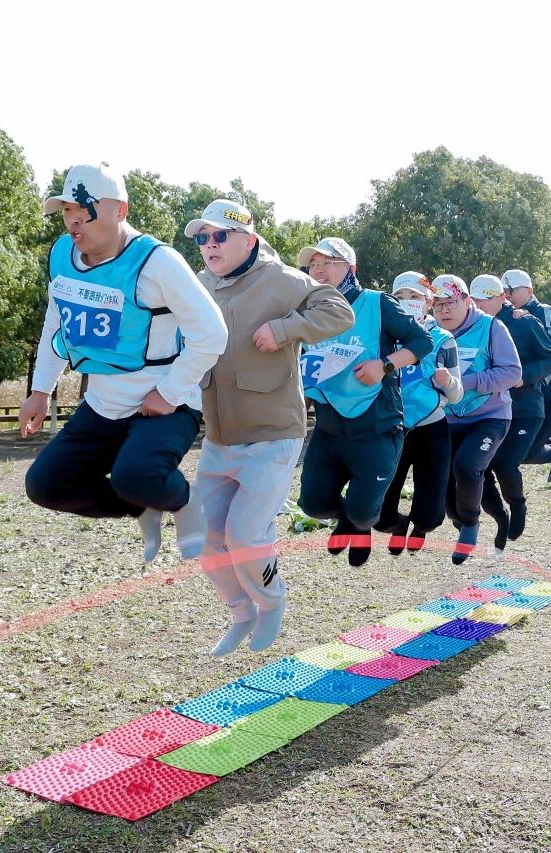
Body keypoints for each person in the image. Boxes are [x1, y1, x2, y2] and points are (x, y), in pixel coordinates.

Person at [21, 163, 227, 562]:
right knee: (45, 484)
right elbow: (56, 320)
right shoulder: (62, 255)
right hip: (104, 402)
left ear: (120, 210)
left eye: (84, 210)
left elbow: (212, 333)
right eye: (67, 211)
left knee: (137, 476)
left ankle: (187, 502)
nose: (73, 220)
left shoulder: (157, 262)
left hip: (165, 403)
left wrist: (169, 393)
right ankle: (142, 507)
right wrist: (41, 390)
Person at [188, 201, 354, 656]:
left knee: (244, 536)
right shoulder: (199, 284)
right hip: (219, 437)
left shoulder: (283, 279)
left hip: (273, 433)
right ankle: (241, 612)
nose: (209, 245)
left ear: (249, 239)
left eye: (219, 235)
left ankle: (271, 603)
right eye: (202, 238)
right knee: (204, 537)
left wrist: (285, 329)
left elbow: (339, 312)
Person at [296, 237, 433, 568]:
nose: (319, 270)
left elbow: (422, 341)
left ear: (350, 269)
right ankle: (349, 518)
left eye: (328, 263)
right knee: (312, 505)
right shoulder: (307, 311)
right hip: (329, 430)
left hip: (376, 428)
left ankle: (360, 521)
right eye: (313, 264)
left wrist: (384, 365)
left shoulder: (377, 303)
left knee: (363, 512)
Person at [373, 272, 463, 555]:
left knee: (430, 515)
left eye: (414, 296)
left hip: (432, 429)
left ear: (428, 302)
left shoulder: (443, 339)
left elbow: (457, 395)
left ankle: (421, 527)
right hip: (392, 427)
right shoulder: (382, 336)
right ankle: (398, 525)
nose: (407, 302)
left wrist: (447, 382)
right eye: (400, 297)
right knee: (378, 514)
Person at [433, 275, 521, 564]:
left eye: (450, 303)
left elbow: (512, 373)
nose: (444, 310)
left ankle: (471, 524)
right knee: (444, 477)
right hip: (447, 418)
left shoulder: (491, 327)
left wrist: (462, 382)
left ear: (467, 301)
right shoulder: (430, 332)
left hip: (489, 416)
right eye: (438, 304)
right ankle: (468, 521)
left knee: (467, 466)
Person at [470, 274, 551, 552]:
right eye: (475, 300)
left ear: (502, 297)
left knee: (506, 463)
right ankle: (500, 516)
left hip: (525, 409)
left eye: (485, 299)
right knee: (476, 466)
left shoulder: (524, 322)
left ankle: (518, 506)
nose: (480, 305)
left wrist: (523, 377)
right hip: (487, 410)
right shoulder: (473, 325)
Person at [501, 270, 551, 481]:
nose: (508, 295)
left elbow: (550, 352)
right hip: (523, 399)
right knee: (509, 452)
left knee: (521, 454)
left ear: (530, 290)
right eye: (504, 291)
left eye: (512, 290)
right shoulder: (504, 316)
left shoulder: (544, 311)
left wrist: (527, 318)